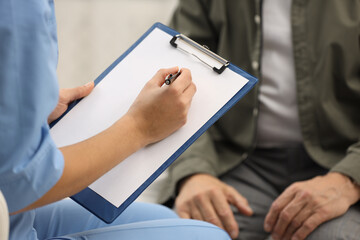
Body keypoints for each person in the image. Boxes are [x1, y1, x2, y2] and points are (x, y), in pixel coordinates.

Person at [0, 0, 232, 239]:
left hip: (14, 213)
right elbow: (20, 181)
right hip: (10, 212)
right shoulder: (17, 10)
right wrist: (139, 127)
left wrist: (31, 112)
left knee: (167, 218)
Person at [160, 0, 360, 239]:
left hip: (342, 162)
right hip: (234, 163)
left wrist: (349, 180)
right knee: (197, 233)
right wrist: (193, 173)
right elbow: (174, 82)